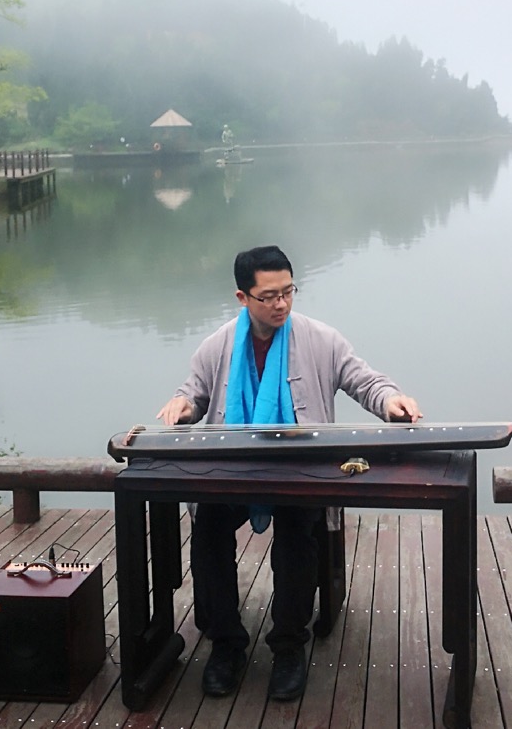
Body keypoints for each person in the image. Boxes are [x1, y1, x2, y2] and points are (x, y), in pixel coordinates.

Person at [155, 245, 422, 703]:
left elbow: (365, 381)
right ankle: (226, 644)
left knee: (298, 533)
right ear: (243, 297)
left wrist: (390, 400)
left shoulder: (320, 340)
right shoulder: (218, 345)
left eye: (288, 292)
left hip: (298, 473)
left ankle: (288, 645)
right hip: (233, 472)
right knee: (209, 530)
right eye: (269, 296)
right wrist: (182, 404)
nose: (281, 304)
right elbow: (194, 392)